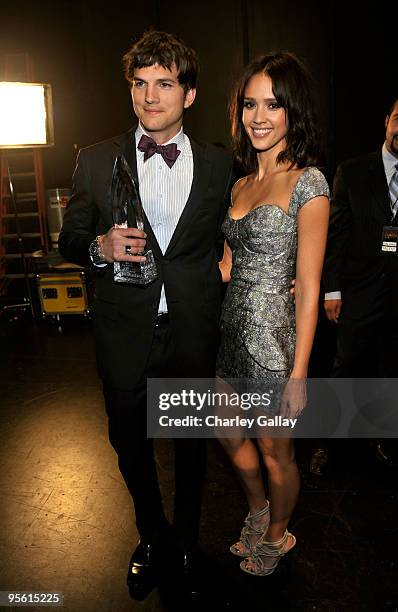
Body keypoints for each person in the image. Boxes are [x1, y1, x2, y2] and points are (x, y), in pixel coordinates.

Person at [59, 30, 233, 601]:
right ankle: (152, 535)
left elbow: (233, 236)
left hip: (190, 331)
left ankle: (184, 539)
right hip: (122, 332)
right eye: (140, 83)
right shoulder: (95, 159)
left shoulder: (218, 166)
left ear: (190, 94)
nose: (150, 96)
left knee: (190, 444)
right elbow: (69, 239)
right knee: (127, 442)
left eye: (164, 83)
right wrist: (98, 249)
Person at [217, 51, 330, 576]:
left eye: (273, 105)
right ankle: (258, 510)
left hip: (274, 343)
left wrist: (300, 374)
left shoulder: (309, 184)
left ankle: (279, 534)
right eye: (249, 104)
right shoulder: (240, 185)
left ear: (292, 112)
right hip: (229, 334)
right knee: (228, 433)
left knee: (274, 450)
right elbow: (224, 268)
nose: (259, 116)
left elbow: (308, 286)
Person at [321, 95, 398, 468]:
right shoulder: (351, 171)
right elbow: (336, 236)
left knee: (389, 370)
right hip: (357, 291)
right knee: (345, 366)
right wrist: (331, 289)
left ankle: (382, 440)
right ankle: (331, 446)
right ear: (387, 120)